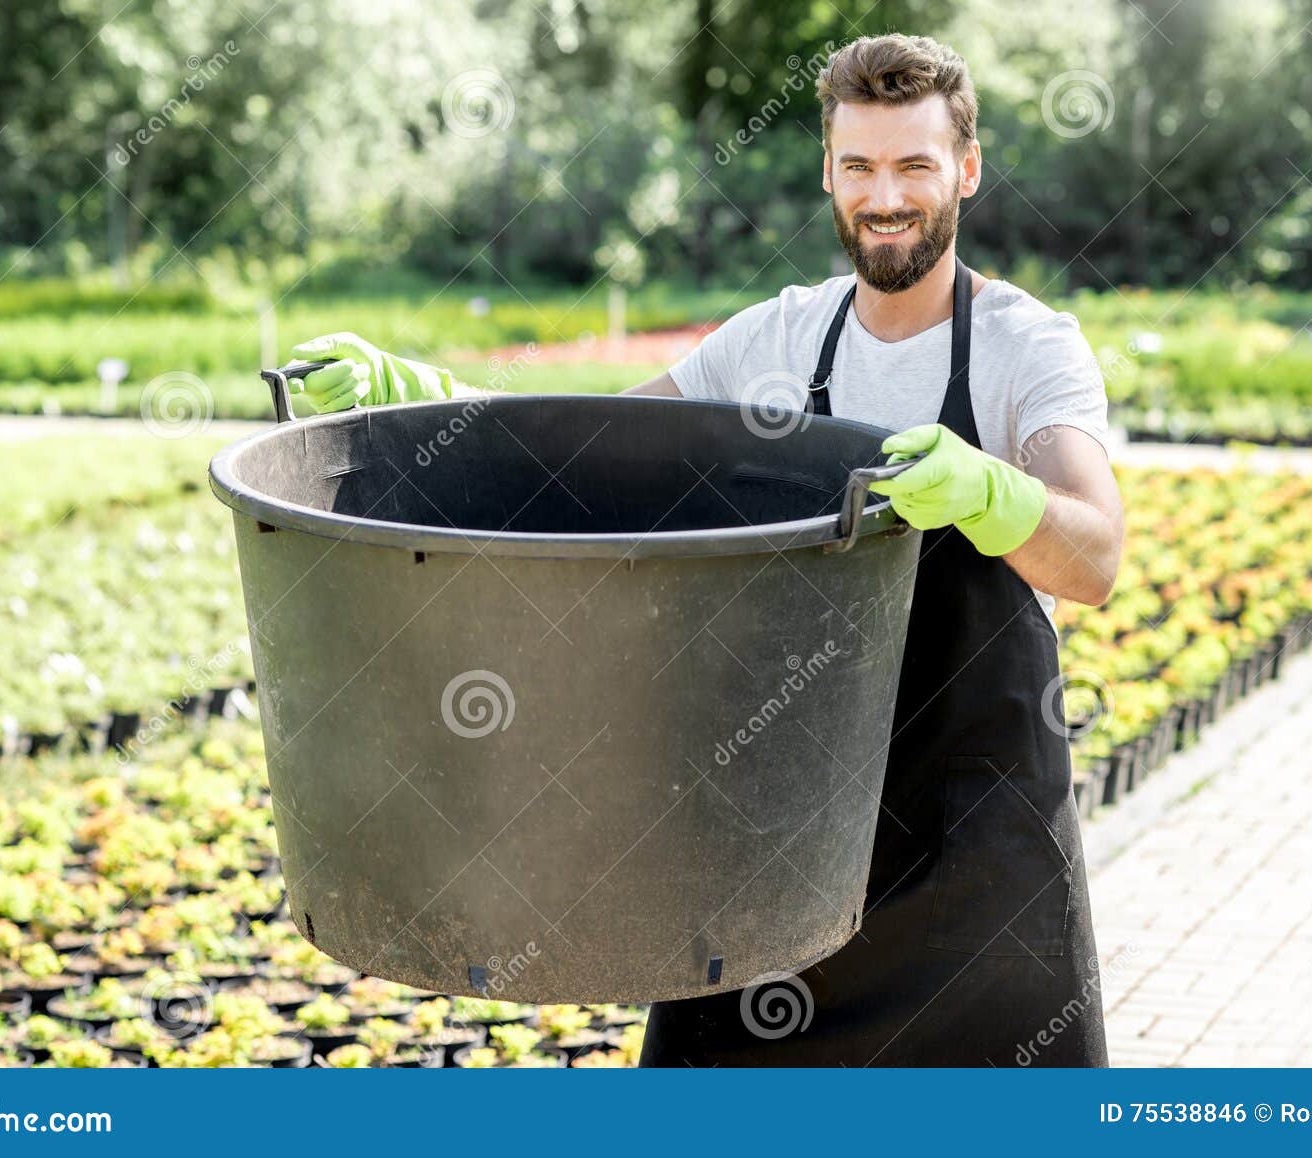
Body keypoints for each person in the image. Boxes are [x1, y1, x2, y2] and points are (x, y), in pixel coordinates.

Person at [289, 31, 1122, 1067]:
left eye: (914, 164)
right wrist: (431, 405)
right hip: (775, 851)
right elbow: (588, 459)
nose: (885, 196)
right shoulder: (774, 342)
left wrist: (991, 489)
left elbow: (1091, 556)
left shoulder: (1024, 349)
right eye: (858, 166)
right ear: (827, 171)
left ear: (965, 168)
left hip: (967, 850)